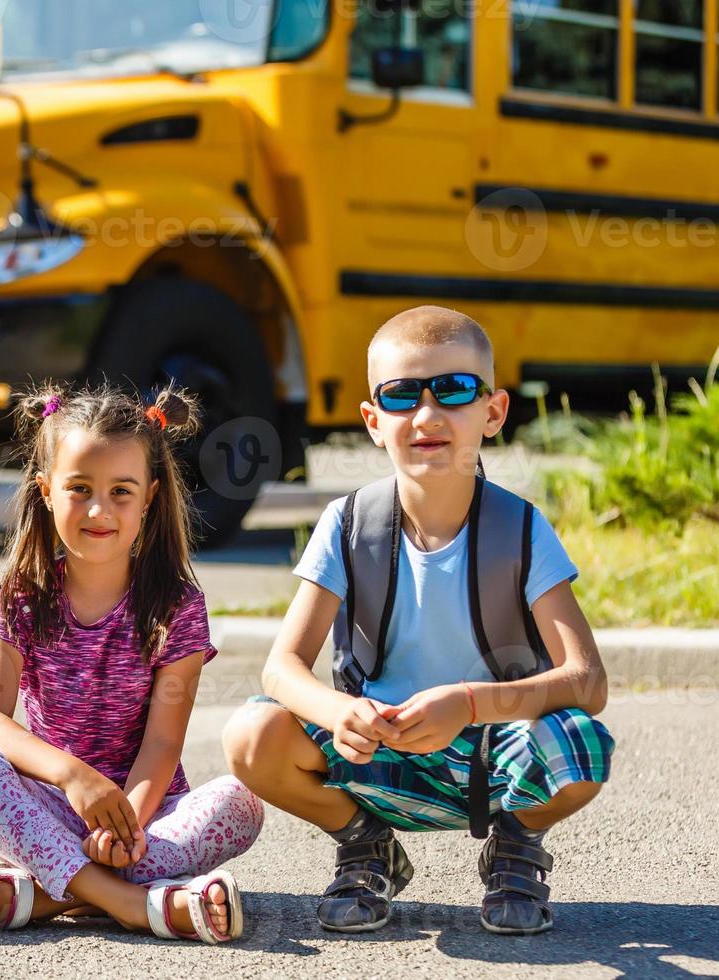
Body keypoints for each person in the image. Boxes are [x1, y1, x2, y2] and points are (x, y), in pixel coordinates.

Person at [221, 305, 615, 936]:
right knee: (250, 735)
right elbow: (282, 668)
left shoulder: (521, 530)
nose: (427, 416)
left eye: (455, 390)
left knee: (581, 746)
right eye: (402, 396)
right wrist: (337, 713)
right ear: (374, 422)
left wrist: (467, 703)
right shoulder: (347, 526)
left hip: (490, 756)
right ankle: (364, 843)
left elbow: (588, 681)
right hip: (375, 749)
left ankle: (515, 846)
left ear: (492, 412)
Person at [0, 381, 263, 942]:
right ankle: (136, 904)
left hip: (146, 816)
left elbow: (163, 744)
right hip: (48, 812)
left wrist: (126, 825)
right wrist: (74, 777)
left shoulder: (178, 606)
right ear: (45, 490)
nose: (98, 509)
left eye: (121, 492)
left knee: (241, 803)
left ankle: (35, 895)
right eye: (79, 488)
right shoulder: (22, 594)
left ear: (150, 497)